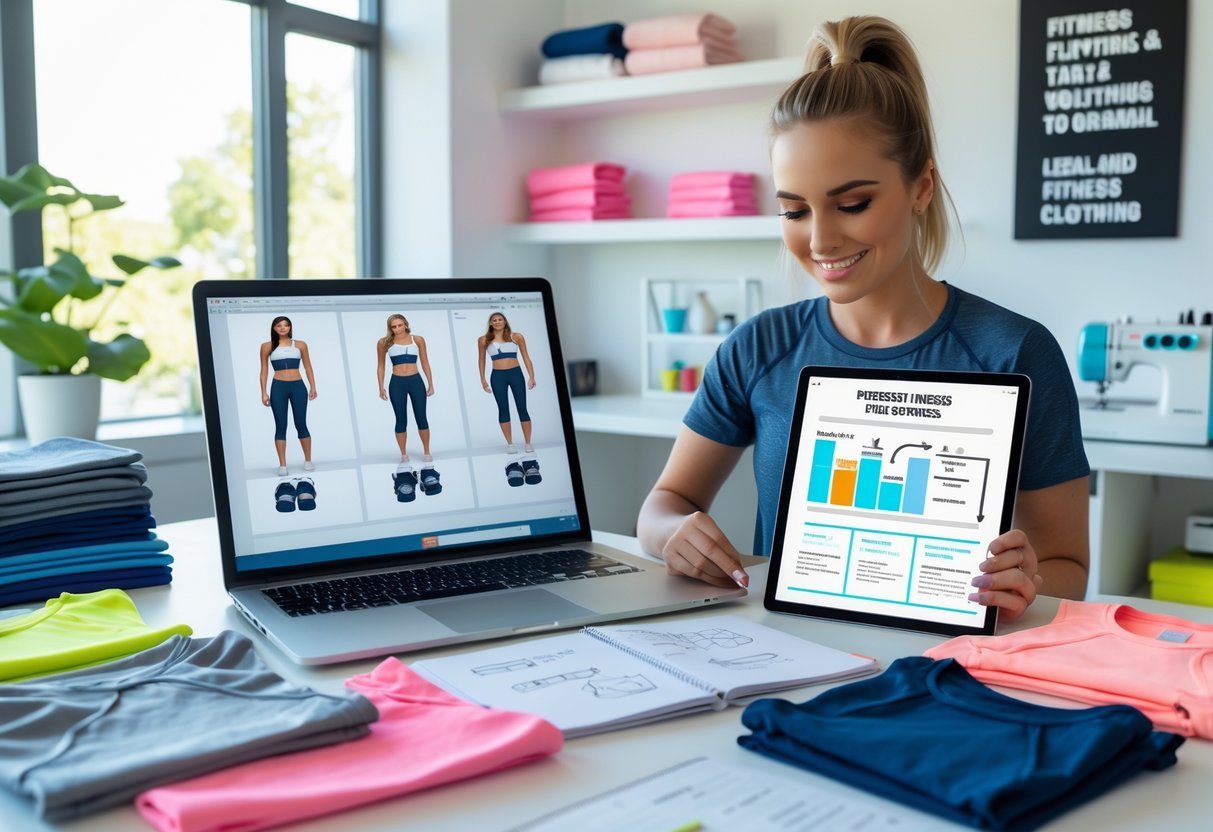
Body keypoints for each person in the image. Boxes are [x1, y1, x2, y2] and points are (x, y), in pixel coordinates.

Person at [636, 16, 1090, 622]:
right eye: (794, 210)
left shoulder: (1015, 351)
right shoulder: (759, 347)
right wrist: (673, 535)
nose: (820, 240)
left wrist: (1028, 579)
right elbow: (663, 504)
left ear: (922, 186)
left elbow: (1070, 568)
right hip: (789, 654)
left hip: (946, 663)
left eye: (853, 204)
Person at [259, 315, 317, 476]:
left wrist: (313, 386)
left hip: (298, 386)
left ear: (290, 327)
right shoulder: (267, 346)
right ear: (274, 328)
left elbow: (308, 367)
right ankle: (283, 465)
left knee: (301, 423)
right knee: (280, 426)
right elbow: (264, 370)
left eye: (286, 325)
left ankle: (308, 460)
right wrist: (263, 392)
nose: (283, 328)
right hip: (278, 387)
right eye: (279, 325)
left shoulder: (300, 345)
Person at [377, 313, 435, 464]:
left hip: (416, 381)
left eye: (399, 325)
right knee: (401, 419)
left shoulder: (418, 340)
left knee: (421, 417)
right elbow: (381, 366)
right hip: (397, 383)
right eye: (393, 327)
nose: (397, 329)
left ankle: (427, 451)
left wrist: (430, 383)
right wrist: (380, 387)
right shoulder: (384, 342)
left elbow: (425, 362)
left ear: (405, 324)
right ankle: (403, 454)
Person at [477, 312, 537, 453]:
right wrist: (483, 380)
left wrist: (531, 376)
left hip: (516, 374)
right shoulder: (483, 340)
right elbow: (481, 360)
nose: (497, 322)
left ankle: (528, 443)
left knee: (522, 408)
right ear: (491, 323)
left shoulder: (516, 337)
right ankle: (510, 444)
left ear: (505, 321)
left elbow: (526, 357)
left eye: (500, 319)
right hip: (497, 377)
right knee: (503, 410)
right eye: (494, 320)